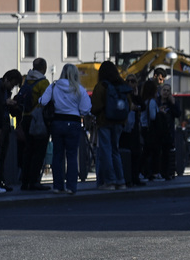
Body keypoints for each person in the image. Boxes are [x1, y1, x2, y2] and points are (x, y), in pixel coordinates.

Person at [38, 64, 91, 195]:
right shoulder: (79, 89)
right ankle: (71, 187)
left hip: (57, 122)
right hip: (73, 122)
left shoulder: (54, 86)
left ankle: (58, 186)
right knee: (72, 156)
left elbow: (42, 101)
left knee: (57, 155)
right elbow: (86, 108)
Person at [91, 60, 130, 190]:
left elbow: (95, 106)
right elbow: (128, 104)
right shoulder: (121, 85)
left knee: (106, 150)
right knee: (115, 150)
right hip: (119, 122)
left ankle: (110, 181)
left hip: (104, 121)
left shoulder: (102, 86)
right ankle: (121, 180)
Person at [16, 58, 51, 191]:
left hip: (25, 119)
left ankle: (24, 181)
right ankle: (34, 181)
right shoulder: (43, 82)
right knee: (39, 151)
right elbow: (46, 102)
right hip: (38, 120)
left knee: (28, 150)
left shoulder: (27, 81)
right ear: (44, 67)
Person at [0, 70, 23, 192]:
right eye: (12, 84)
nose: (12, 87)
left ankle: (0, 181)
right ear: (6, 79)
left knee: (2, 156)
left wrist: (13, 106)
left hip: (5, 125)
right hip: (0, 126)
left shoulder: (5, 90)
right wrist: (5, 102)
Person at [148, 84, 181, 180]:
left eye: (168, 90)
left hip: (168, 130)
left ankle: (166, 173)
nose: (166, 92)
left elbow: (178, 113)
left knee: (167, 153)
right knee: (156, 152)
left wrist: (173, 103)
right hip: (157, 131)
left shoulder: (172, 102)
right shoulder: (156, 101)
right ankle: (154, 172)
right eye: (164, 90)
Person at [119, 74, 146, 187]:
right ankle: (127, 178)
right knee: (126, 154)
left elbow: (142, 107)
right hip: (125, 129)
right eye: (129, 81)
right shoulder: (123, 94)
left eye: (133, 81)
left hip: (134, 128)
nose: (131, 83)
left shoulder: (135, 95)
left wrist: (136, 96)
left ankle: (135, 177)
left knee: (136, 153)